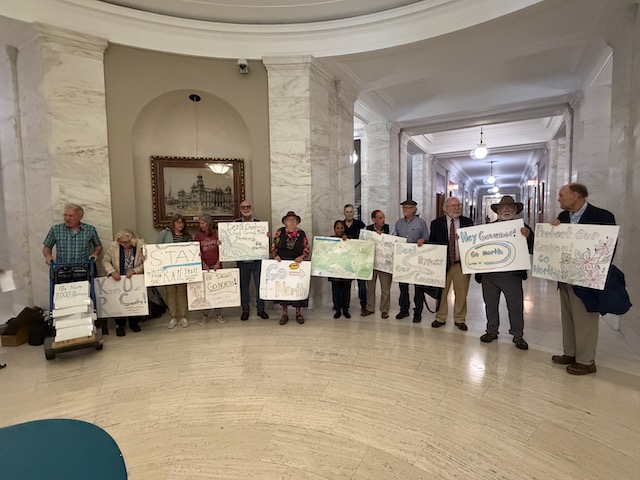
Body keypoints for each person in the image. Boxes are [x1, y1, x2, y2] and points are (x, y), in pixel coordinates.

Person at [550, 183, 616, 375]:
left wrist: (587, 273)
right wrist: (553, 231)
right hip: (564, 277)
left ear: (576, 195)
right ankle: (570, 352)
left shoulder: (602, 217)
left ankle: (586, 361)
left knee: (585, 320)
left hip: (585, 279)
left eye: (562, 195)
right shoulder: (563, 217)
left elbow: (607, 249)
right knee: (568, 317)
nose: (559, 199)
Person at [475, 196, 533, 350]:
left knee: (515, 305)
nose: (507, 210)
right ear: (498, 211)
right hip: (490, 274)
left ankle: (518, 334)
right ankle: (491, 331)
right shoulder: (486, 229)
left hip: (512, 275)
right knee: (490, 304)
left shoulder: (524, 228)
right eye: (503, 208)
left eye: (510, 207)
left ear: (515, 211)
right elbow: (478, 248)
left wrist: (528, 236)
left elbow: (534, 247)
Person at [429, 197, 474, 330]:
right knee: (442, 292)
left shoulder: (467, 222)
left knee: (461, 292)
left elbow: (473, 242)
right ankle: (440, 317)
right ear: (445, 208)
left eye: (458, 205)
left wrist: (463, 240)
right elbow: (433, 243)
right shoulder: (436, 223)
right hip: (443, 264)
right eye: (453, 205)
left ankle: (460, 318)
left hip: (461, 263)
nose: (456, 208)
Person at [102, 229, 146, 336]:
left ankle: (134, 323)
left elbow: (147, 262)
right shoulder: (113, 247)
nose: (123, 244)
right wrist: (112, 271)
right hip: (119, 279)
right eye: (121, 242)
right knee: (119, 302)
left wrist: (135, 270)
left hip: (135, 279)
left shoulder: (141, 246)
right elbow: (105, 260)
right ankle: (120, 325)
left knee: (134, 301)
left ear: (132, 241)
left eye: (126, 242)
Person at [393, 200, 429, 322]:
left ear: (414, 209)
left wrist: (423, 239)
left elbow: (427, 237)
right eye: (404, 207)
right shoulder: (398, 223)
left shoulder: (421, 223)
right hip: (402, 259)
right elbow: (394, 237)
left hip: (416, 258)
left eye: (408, 208)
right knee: (403, 286)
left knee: (418, 287)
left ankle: (417, 312)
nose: (405, 210)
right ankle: (404, 310)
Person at [272, 211, 310, 325]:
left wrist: (302, 257)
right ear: (285, 222)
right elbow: (274, 246)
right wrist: (276, 256)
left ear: (297, 222)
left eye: (294, 220)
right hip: (283, 264)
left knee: (297, 288)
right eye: (289, 220)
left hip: (297, 264)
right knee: (284, 289)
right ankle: (285, 313)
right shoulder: (280, 232)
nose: (292, 222)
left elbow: (306, 248)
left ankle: (298, 313)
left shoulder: (302, 233)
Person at [234, 201, 269, 321]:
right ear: (240, 209)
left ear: (252, 208)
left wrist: (267, 237)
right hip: (242, 261)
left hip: (257, 261)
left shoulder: (259, 224)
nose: (246, 209)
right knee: (244, 286)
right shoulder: (235, 224)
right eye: (243, 207)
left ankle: (261, 309)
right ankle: (245, 310)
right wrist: (222, 242)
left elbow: (265, 242)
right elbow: (230, 241)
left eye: (248, 207)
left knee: (260, 285)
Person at [157, 213, 192, 329]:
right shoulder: (164, 234)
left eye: (182, 222)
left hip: (182, 269)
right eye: (178, 222)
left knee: (182, 292)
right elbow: (156, 249)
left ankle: (183, 316)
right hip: (168, 269)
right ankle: (173, 317)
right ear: (173, 223)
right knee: (170, 293)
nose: (180, 225)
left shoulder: (187, 236)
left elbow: (191, 250)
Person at [195, 214, 226, 326]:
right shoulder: (198, 235)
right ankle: (205, 314)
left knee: (217, 290)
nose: (201, 225)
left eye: (203, 223)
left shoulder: (217, 233)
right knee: (205, 291)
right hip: (205, 266)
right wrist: (203, 264)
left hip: (217, 265)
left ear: (208, 223)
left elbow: (223, 249)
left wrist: (218, 263)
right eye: (200, 223)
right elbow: (196, 251)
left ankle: (218, 313)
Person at [361, 209, 392, 319]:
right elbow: (363, 244)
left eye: (383, 217)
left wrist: (383, 236)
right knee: (370, 287)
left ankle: (384, 309)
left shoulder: (388, 229)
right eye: (379, 218)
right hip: (372, 263)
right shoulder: (368, 230)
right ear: (373, 219)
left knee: (385, 288)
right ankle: (370, 307)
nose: (382, 220)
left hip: (384, 265)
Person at [343, 204, 367, 313]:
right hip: (346, 258)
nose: (349, 213)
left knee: (361, 283)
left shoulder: (360, 224)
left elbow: (365, 238)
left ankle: (364, 304)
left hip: (359, 257)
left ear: (353, 213)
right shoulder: (341, 225)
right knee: (346, 283)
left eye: (351, 211)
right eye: (347, 212)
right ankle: (344, 305)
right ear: (344, 213)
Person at [328, 220, 353, 319]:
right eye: (337, 228)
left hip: (346, 269)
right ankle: (337, 309)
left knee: (346, 290)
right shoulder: (330, 240)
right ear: (334, 229)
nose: (339, 230)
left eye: (341, 228)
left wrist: (347, 241)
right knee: (336, 290)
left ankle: (346, 309)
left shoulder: (349, 238)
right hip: (334, 270)